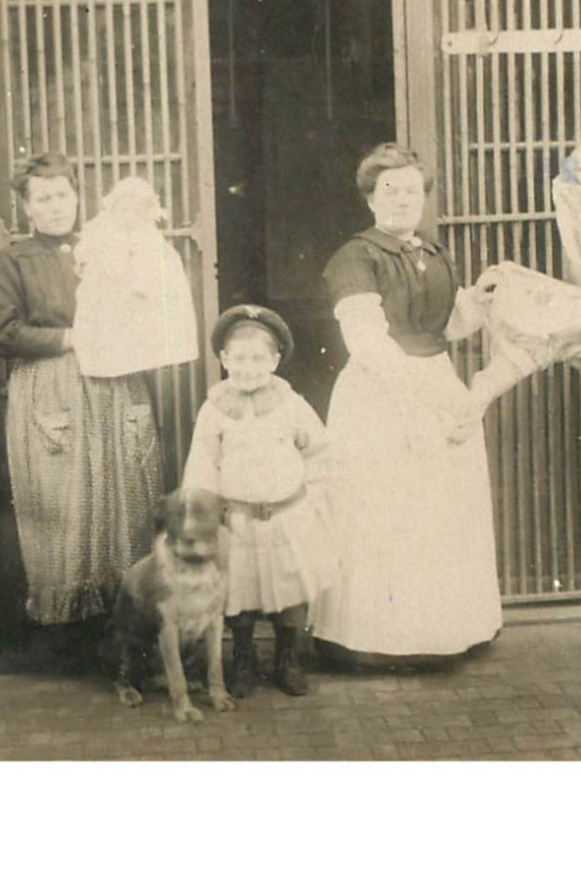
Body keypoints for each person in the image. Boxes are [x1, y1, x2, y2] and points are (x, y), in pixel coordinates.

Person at [310, 143, 504, 668]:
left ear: (424, 198)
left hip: (435, 378)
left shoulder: (434, 252)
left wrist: (478, 302)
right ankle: (378, 641)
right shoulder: (356, 256)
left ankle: (445, 631)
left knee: (439, 511)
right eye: (388, 190)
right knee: (387, 510)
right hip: (381, 391)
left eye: (411, 190)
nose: (400, 199)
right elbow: (367, 340)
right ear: (370, 198)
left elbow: (446, 326)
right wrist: (424, 400)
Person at [0, 153, 163, 671]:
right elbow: (4, 334)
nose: (55, 206)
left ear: (78, 197)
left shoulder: (106, 245)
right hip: (53, 386)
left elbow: (149, 305)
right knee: (63, 507)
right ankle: (68, 637)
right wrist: (70, 337)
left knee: (124, 496)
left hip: (116, 381)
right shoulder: (13, 260)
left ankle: (126, 629)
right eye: (43, 198)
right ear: (26, 207)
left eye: (63, 194)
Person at [181, 305, 340, 698]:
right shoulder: (214, 409)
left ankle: (288, 658)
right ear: (223, 359)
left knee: (290, 589)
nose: (247, 368)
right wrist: (202, 512)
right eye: (238, 359)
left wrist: (313, 497)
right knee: (240, 595)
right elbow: (202, 463)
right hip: (238, 521)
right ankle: (244, 659)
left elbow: (319, 449)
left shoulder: (291, 404)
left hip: (286, 517)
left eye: (257, 359)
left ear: (274, 361)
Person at [71, 175, 200, 379]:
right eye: (123, 210)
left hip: (137, 292)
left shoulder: (147, 236)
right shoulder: (102, 230)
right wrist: (84, 262)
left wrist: (143, 280)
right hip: (108, 291)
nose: (129, 216)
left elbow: (156, 264)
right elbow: (86, 246)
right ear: (112, 210)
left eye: (137, 212)